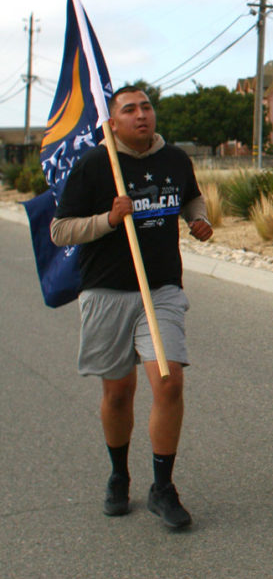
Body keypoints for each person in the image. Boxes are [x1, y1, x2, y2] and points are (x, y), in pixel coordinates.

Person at [51, 85, 213, 529]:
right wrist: (108, 219)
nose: (141, 115)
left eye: (146, 106)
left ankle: (163, 488)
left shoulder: (175, 159)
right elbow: (60, 232)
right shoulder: (93, 167)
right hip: (106, 292)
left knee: (169, 383)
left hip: (159, 289)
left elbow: (189, 198)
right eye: (129, 109)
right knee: (118, 392)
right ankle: (119, 474)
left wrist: (198, 219)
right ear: (112, 121)